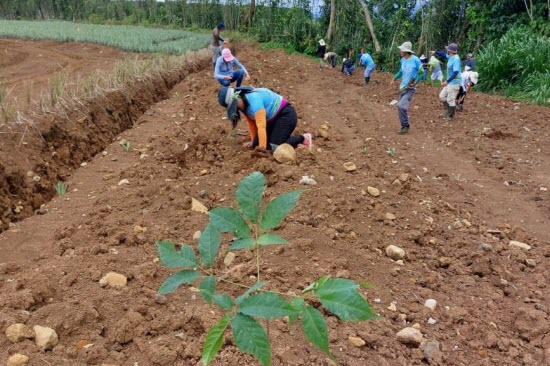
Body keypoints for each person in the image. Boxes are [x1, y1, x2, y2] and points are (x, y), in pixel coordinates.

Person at [217, 86, 312, 152]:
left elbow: (261, 127)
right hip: (272, 120)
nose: (237, 109)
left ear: (238, 96)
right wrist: (254, 142)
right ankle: (287, 140)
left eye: (235, 105)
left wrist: (261, 150)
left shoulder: (254, 100)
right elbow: (252, 125)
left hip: (286, 115)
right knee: (262, 143)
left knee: (274, 147)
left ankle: (303, 138)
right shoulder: (243, 106)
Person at [390, 41, 423, 134]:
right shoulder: (403, 60)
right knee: (400, 108)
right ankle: (403, 126)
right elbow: (401, 71)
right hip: (402, 88)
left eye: (401, 49)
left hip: (410, 88)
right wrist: (394, 79)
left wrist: (415, 82)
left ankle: (406, 125)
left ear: (405, 51)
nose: (400, 51)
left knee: (401, 106)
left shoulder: (415, 60)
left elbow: (421, 72)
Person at [430, 43, 462, 120]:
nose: (446, 50)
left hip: (454, 83)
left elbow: (455, 72)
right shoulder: (451, 57)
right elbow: (444, 54)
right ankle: (448, 110)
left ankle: (450, 115)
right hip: (450, 82)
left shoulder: (456, 59)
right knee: (442, 96)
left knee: (450, 100)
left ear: (450, 51)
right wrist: (435, 52)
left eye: (447, 49)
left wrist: (447, 81)